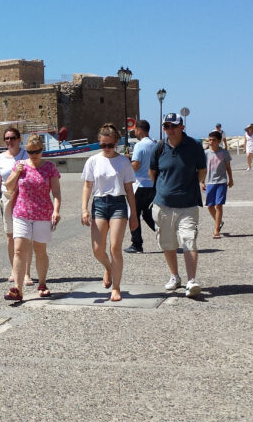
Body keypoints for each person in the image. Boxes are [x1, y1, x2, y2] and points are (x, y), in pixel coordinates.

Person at [150, 113, 206, 299]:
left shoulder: (194, 146)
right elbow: (153, 173)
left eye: (173, 126)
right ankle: (175, 276)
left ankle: (191, 281)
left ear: (182, 127)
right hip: (163, 205)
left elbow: (202, 170)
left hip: (188, 204)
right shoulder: (159, 147)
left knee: (189, 239)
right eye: (166, 126)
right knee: (167, 243)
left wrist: (189, 187)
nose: (170, 130)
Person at [81, 125, 138, 302]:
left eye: (110, 145)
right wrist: (83, 208)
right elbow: (87, 186)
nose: (106, 148)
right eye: (103, 145)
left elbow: (129, 189)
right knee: (98, 249)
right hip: (99, 203)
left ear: (116, 143)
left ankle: (116, 287)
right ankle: (108, 268)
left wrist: (134, 215)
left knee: (115, 247)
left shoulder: (123, 162)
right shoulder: (93, 161)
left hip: (118, 203)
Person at [3, 134, 61, 301]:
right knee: (19, 250)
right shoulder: (19, 165)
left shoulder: (50, 167)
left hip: (43, 213)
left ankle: (42, 283)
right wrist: (17, 173)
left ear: (42, 150)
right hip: (21, 212)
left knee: (40, 251)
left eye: (37, 151)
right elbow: (8, 186)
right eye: (30, 152)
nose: (34, 155)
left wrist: (56, 210)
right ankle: (17, 288)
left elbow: (56, 192)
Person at [0, 127, 33, 285]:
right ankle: (15, 270)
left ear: (19, 139)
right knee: (10, 236)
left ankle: (26, 273)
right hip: (7, 197)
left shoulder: (27, 155)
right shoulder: (0, 158)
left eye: (13, 138)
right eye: (6, 138)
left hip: (24, 197)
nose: (9, 141)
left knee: (24, 236)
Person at [124, 120, 157, 254]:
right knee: (148, 214)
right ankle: (166, 235)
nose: (135, 132)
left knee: (134, 214)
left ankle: (137, 244)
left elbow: (136, 165)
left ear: (140, 130)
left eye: (135, 130)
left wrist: (127, 166)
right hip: (153, 184)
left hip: (140, 185)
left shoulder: (139, 145)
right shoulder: (155, 144)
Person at [202, 131, 234, 239]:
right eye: (209, 140)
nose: (211, 142)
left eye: (213, 140)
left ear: (219, 141)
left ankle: (216, 230)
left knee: (218, 205)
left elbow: (228, 167)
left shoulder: (224, 153)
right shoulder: (205, 153)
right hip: (210, 182)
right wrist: (202, 182)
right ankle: (219, 222)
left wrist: (231, 179)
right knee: (210, 206)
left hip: (221, 182)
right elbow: (203, 169)